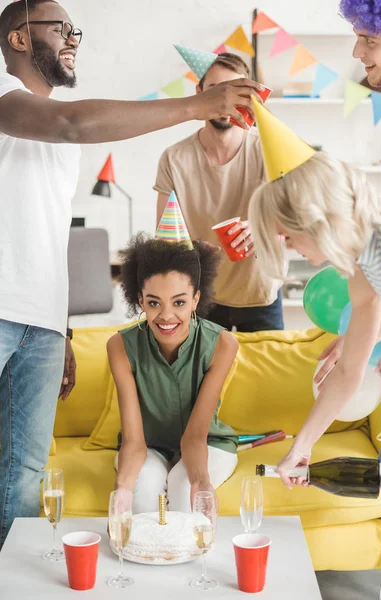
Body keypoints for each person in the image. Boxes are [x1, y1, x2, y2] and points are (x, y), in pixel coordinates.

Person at [0, 0, 264, 549]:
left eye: (78, 30)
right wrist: (197, 105)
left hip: (40, 323)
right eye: (60, 29)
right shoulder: (9, 102)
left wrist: (62, 327)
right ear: (20, 38)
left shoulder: (56, 142)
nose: (74, 39)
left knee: (22, 474)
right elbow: (74, 124)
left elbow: (44, 237)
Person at [249, 108, 381, 598]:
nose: (289, 247)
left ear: (313, 219)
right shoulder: (362, 267)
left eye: (288, 235)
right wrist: (303, 447)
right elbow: (349, 372)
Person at [107, 233, 239, 512]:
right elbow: (133, 440)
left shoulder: (222, 344)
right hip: (147, 446)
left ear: (195, 299)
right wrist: (122, 491)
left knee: (184, 494)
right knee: (140, 498)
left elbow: (195, 436)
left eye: (179, 302)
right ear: (140, 300)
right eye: (154, 303)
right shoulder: (120, 347)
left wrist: (201, 483)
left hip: (208, 443)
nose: (166, 316)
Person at [154, 52, 283, 333]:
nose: (225, 101)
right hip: (202, 299)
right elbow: (165, 236)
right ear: (198, 93)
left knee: (264, 377)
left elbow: (293, 216)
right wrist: (190, 252)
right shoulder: (174, 158)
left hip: (261, 296)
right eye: (215, 91)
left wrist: (262, 228)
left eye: (235, 91)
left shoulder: (270, 150)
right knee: (203, 377)